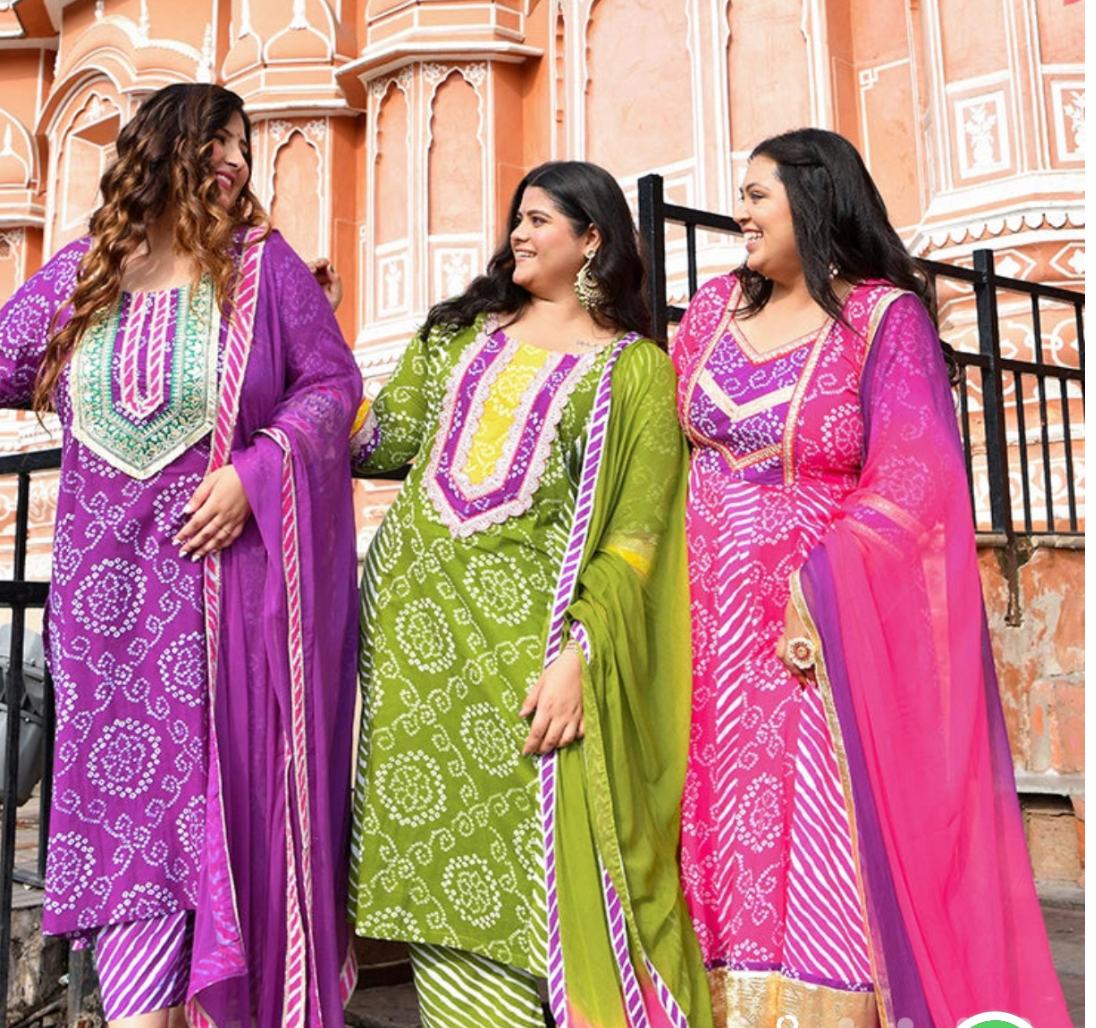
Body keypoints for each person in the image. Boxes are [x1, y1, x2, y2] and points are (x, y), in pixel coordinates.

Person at [672, 127, 1070, 1027]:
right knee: (711, 821)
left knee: (811, 830)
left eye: (757, 195)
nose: (740, 213)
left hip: (812, 629)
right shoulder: (711, 313)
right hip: (698, 624)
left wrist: (817, 588)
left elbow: (916, 479)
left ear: (814, 200)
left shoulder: (882, 321)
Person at [0, 84, 361, 1028]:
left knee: (217, 827)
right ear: (163, 148)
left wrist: (255, 472)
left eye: (245, 145)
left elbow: (331, 386)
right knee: (126, 847)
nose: (237, 161)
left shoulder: (261, 270)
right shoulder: (85, 272)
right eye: (219, 141)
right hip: (104, 611)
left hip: (219, 602)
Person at [347, 161, 713, 1028]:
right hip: (412, 658)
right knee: (432, 877)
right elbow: (376, 445)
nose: (518, 231)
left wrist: (580, 657)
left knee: (533, 871)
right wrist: (317, 345)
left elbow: (638, 539)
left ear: (592, 240)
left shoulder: (632, 372)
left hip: (528, 660)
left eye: (541, 218)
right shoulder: (456, 338)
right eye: (518, 216)